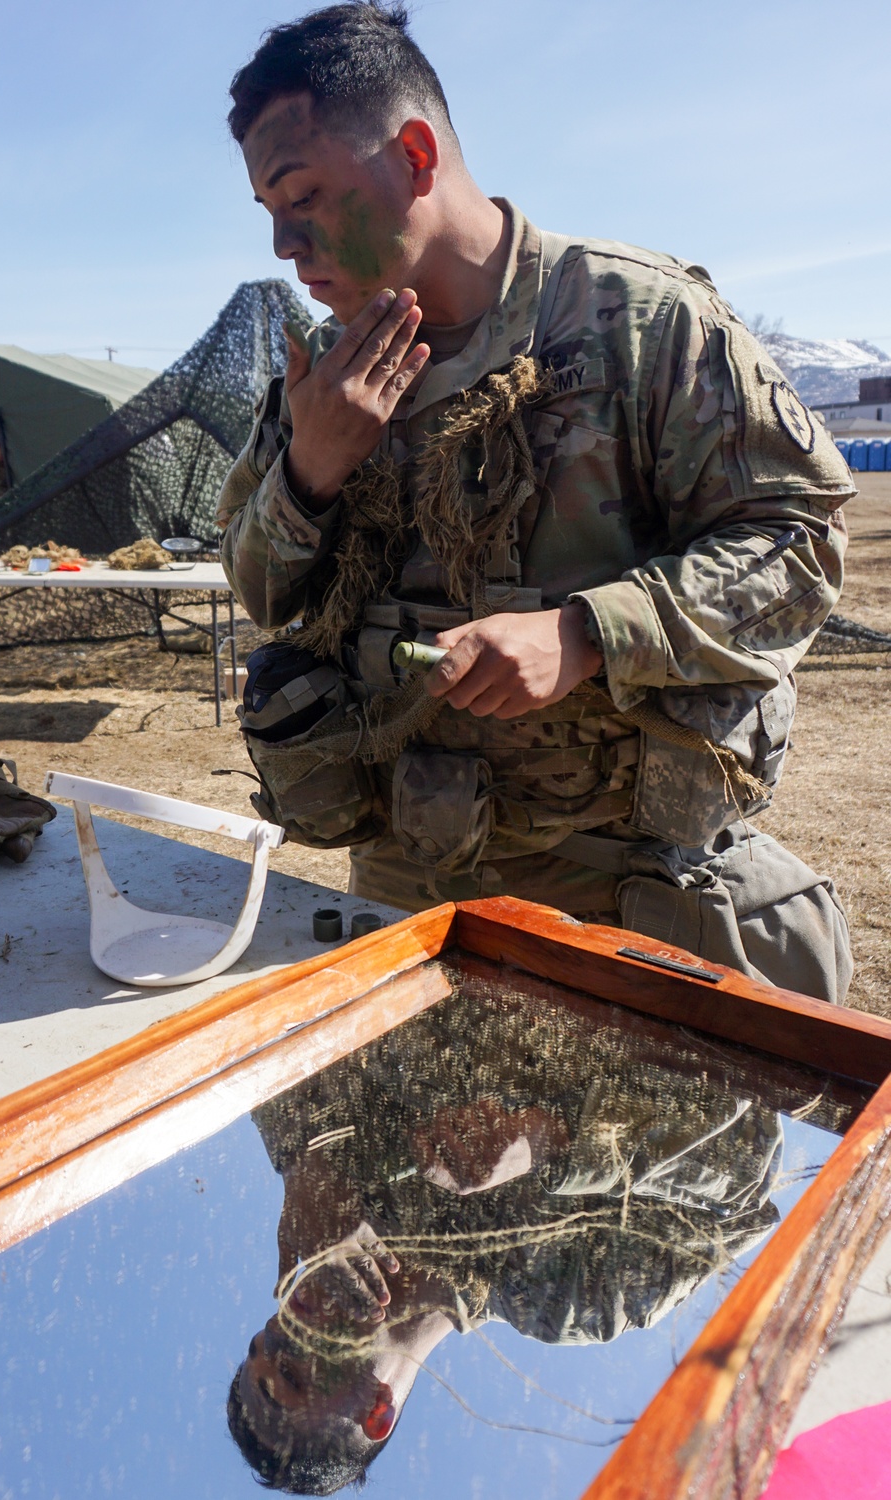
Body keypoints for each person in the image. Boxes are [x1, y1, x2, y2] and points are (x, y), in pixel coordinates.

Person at [218, 2, 854, 1001]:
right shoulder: (323, 378)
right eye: (266, 211)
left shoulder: (640, 323)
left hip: (626, 902)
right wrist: (313, 467)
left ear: (416, 155)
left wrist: (590, 632)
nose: (287, 245)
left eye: (302, 195)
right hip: (408, 896)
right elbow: (262, 597)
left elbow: (799, 547)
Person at [225, 965, 786, 1493]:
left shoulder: (342, 1187)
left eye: (263, 1342)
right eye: (292, 1375)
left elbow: (281, 1007)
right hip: (656, 948)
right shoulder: (566, 1298)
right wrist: (554, 1137)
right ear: (377, 1411)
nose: (282, 1330)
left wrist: (307, 1164)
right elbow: (751, 1155)